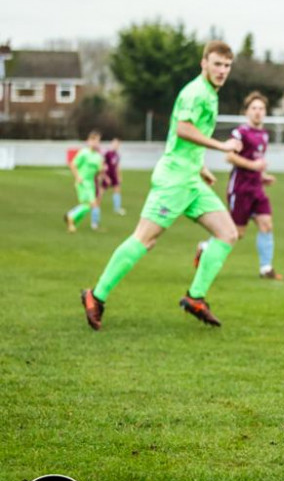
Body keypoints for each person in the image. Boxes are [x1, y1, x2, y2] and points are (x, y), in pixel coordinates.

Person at [80, 41, 242, 330]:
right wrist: (220, 145)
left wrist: (201, 166)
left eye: (227, 65)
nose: (222, 70)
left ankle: (195, 297)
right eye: (217, 64)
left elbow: (179, 139)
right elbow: (182, 128)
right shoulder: (196, 92)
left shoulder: (209, 93)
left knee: (227, 233)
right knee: (145, 239)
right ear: (203, 63)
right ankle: (96, 295)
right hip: (174, 180)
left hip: (190, 177)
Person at [195, 91, 281, 279]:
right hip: (240, 189)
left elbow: (256, 161)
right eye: (254, 108)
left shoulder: (264, 135)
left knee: (266, 224)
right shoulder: (240, 133)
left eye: (261, 108)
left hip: (257, 188)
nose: (258, 112)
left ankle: (266, 268)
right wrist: (253, 166)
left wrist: (263, 175)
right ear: (246, 112)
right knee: (236, 233)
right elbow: (229, 156)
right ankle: (205, 247)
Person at [65, 130, 104, 233]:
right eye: (94, 141)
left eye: (98, 141)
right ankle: (71, 216)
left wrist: (102, 171)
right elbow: (73, 164)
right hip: (83, 182)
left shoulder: (98, 156)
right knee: (91, 204)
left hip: (91, 183)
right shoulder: (83, 153)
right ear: (89, 141)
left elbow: (99, 171)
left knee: (86, 206)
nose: (96, 143)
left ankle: (72, 223)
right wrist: (77, 177)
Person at [102, 138, 127, 216]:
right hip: (107, 175)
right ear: (111, 144)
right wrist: (105, 176)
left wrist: (119, 176)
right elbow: (102, 164)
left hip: (114, 175)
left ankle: (117, 208)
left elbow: (117, 166)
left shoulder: (117, 155)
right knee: (101, 191)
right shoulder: (107, 153)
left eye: (117, 144)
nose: (116, 145)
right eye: (114, 143)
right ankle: (95, 205)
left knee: (117, 190)